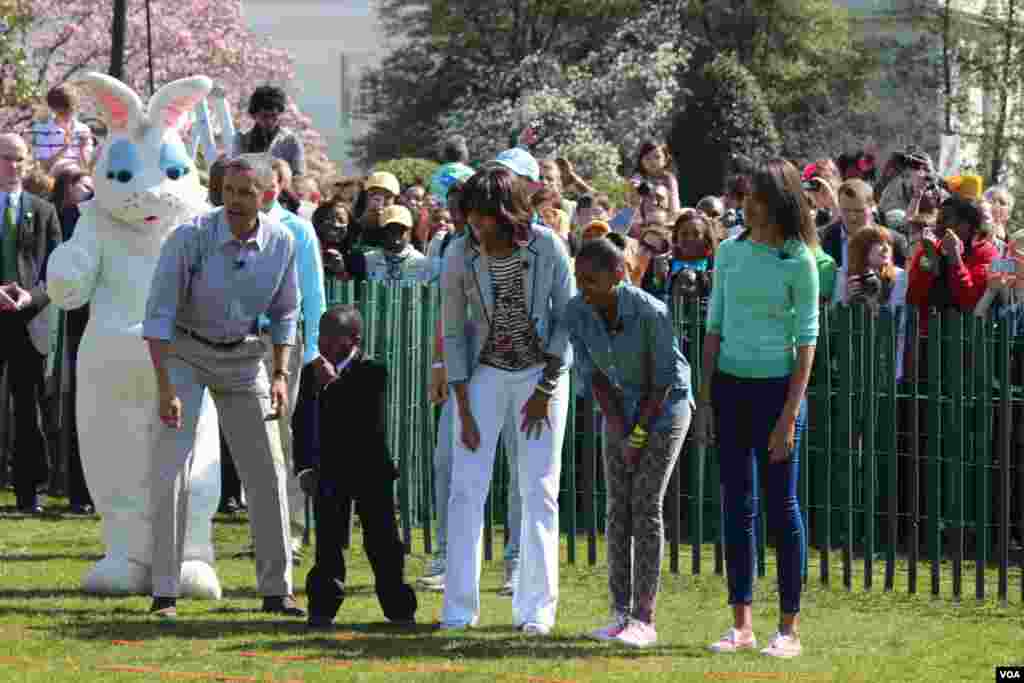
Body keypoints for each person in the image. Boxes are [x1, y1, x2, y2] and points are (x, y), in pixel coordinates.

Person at [142, 153, 303, 619]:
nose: (233, 200)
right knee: (172, 467)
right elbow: (158, 316)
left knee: (268, 471)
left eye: (245, 193)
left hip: (246, 358)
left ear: (267, 195)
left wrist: (278, 372)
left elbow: (286, 312)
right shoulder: (189, 237)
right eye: (228, 191)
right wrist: (165, 386)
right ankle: (164, 593)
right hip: (186, 354)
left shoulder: (283, 241)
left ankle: (277, 592)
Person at [440, 165, 574, 634]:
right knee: (465, 490)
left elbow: (566, 318)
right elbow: (454, 330)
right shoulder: (460, 253)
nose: (475, 226)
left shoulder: (548, 246)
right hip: (485, 375)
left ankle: (536, 611)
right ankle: (457, 612)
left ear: (507, 212)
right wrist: (462, 404)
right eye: (470, 217)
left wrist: (545, 389)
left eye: (484, 217)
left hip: (541, 373)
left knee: (538, 490)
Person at [696, 158, 818, 659]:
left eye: (756, 196)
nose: (747, 203)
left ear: (778, 202)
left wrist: (789, 416)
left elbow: (807, 340)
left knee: (782, 507)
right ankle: (741, 624)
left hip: (777, 394)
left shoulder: (800, 260)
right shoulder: (728, 252)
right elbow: (714, 326)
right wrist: (705, 400)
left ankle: (787, 629)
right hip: (729, 388)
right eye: (745, 195)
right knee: (736, 507)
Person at [566, 237, 693, 648]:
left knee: (645, 504)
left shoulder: (650, 311)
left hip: (665, 407)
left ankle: (644, 618)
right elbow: (594, 376)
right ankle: (619, 613)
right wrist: (620, 428)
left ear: (619, 273)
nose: (584, 287)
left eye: (592, 279)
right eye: (579, 278)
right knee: (617, 507)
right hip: (619, 406)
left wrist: (638, 436)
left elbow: (663, 382)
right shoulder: (576, 311)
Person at [293, 305, 418, 628]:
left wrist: (333, 386)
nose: (324, 342)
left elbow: (367, 422)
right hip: (329, 472)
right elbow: (302, 421)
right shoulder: (311, 372)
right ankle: (322, 608)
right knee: (328, 545)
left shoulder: (372, 370)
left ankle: (399, 609)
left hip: (370, 472)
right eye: (321, 334)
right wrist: (304, 467)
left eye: (334, 336)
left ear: (354, 339)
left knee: (383, 543)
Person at [0, 133, 62, 514]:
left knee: (29, 411)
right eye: (6, 157)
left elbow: (56, 273)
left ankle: (29, 493)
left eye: (19, 158)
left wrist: (32, 297)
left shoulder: (43, 211)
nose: (13, 165)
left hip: (28, 321)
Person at [50, 167, 96, 514]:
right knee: (76, 406)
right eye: (84, 185)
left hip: (100, 320)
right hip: (75, 323)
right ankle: (75, 488)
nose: (91, 190)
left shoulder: (100, 221)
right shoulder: (64, 219)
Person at [231, 85, 305, 178]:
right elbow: (234, 172)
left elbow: (299, 176)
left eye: (274, 116)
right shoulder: (242, 138)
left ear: (280, 114)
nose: (270, 121)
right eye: (264, 116)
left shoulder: (291, 140)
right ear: (254, 116)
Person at [349, 205, 428, 283]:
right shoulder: (367, 260)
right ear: (382, 231)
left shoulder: (421, 262)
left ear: (410, 231)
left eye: (401, 229)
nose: (396, 233)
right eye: (390, 229)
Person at [30, 84, 95, 172]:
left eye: (70, 111)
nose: (66, 116)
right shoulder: (42, 129)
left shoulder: (83, 129)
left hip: (77, 182)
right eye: (61, 113)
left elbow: (87, 169)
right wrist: (64, 148)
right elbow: (44, 167)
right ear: (53, 109)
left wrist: (82, 149)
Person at [429, 135, 475, 208]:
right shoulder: (469, 173)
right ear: (464, 153)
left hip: (439, 213)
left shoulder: (437, 173)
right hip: (461, 213)